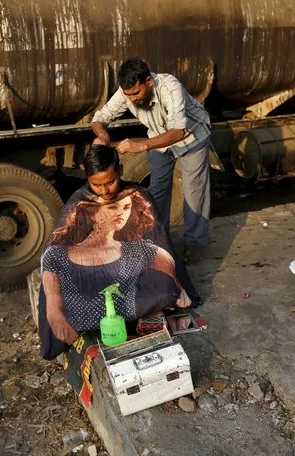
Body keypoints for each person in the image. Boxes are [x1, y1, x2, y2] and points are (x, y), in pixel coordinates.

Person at [38, 145, 201, 360]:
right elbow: (55, 251)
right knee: (62, 304)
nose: (105, 191)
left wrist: (174, 282)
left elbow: (159, 242)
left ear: (120, 171)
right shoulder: (79, 201)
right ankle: (134, 314)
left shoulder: (138, 196)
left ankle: (131, 313)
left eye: (110, 182)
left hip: (128, 276)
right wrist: (54, 310)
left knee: (165, 289)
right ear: (87, 177)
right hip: (88, 278)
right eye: (96, 185)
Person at [91, 57, 211, 263]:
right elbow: (99, 118)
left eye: (136, 93)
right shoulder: (126, 93)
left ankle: (195, 243)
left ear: (149, 81)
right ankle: (159, 239)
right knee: (157, 190)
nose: (133, 99)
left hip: (192, 136)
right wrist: (102, 135)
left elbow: (178, 131)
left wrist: (141, 145)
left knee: (194, 192)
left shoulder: (170, 87)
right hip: (159, 138)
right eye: (128, 95)